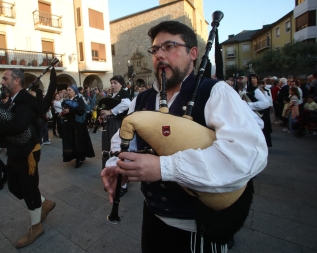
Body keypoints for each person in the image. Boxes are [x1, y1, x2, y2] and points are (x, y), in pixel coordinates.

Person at [101, 21, 267, 253]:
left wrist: (164, 167)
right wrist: (117, 166)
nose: (159, 54)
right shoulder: (140, 100)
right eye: (155, 49)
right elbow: (123, 139)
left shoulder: (215, 92)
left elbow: (247, 153)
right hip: (152, 216)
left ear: (192, 53)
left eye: (169, 46)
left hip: (197, 226)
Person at [0, 69, 55, 248]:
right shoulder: (13, 99)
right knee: (14, 186)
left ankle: (36, 226)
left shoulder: (24, 100)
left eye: (5, 78)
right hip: (15, 151)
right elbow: (0, 114)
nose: (1, 82)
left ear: (16, 81)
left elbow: (18, 125)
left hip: (27, 153)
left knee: (28, 187)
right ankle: (44, 203)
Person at [99, 75, 131, 196]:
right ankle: (110, 177)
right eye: (111, 83)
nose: (112, 85)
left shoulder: (124, 94)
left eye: (115, 83)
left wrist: (111, 112)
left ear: (121, 84)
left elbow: (127, 104)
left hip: (117, 125)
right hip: (109, 125)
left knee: (117, 151)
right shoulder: (113, 96)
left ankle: (122, 184)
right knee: (108, 150)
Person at [60, 85, 95, 168]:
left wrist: (70, 111)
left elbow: (81, 110)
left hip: (78, 125)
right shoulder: (68, 100)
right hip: (70, 124)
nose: (68, 92)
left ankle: (80, 158)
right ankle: (74, 156)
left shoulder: (79, 99)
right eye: (67, 90)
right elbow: (67, 111)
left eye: (69, 90)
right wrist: (63, 114)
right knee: (72, 140)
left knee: (78, 141)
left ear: (74, 91)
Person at [236, 72, 272, 147]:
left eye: (241, 78)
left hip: (253, 119)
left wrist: (248, 105)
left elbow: (266, 103)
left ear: (246, 79)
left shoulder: (254, 90)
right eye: (237, 79)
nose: (238, 80)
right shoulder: (233, 89)